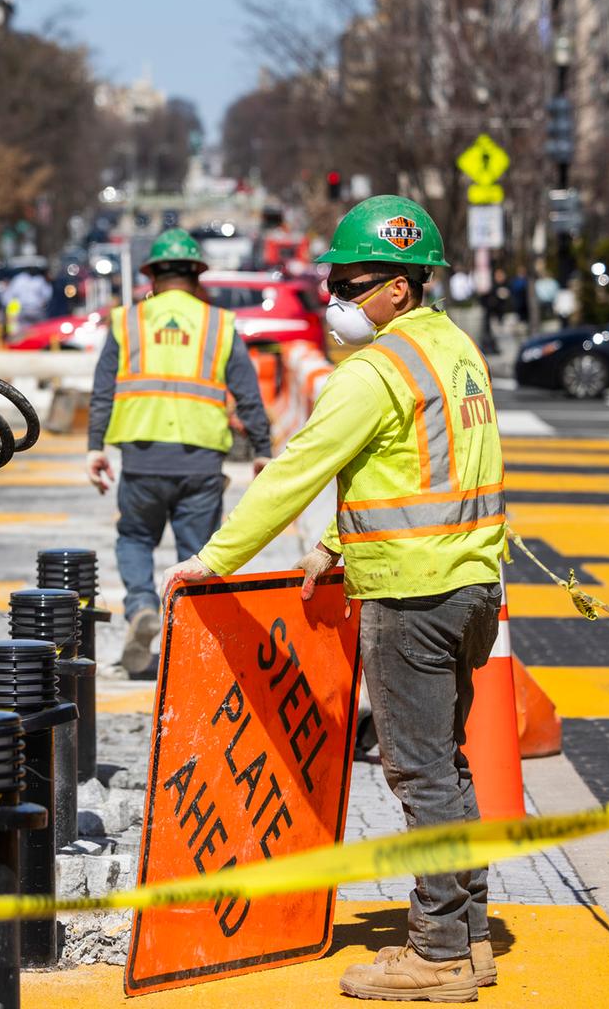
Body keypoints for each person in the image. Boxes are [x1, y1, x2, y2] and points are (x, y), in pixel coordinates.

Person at [161, 196, 505, 1002]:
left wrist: (215, 559)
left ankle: (439, 955)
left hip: (413, 601)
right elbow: (432, 472)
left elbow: (296, 468)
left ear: (399, 289)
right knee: (446, 767)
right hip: (472, 589)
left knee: (418, 775)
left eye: (349, 286)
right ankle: (473, 934)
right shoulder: (457, 353)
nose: (336, 302)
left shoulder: (377, 371)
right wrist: (338, 544)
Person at [85, 227, 272, 679]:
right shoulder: (219, 323)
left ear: (151, 278)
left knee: (135, 539)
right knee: (200, 554)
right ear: (197, 278)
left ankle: (143, 608)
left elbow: (103, 390)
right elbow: (248, 394)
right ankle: (192, 648)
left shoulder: (127, 321)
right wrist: (262, 450)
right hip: (201, 461)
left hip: (142, 458)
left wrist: (95, 447)